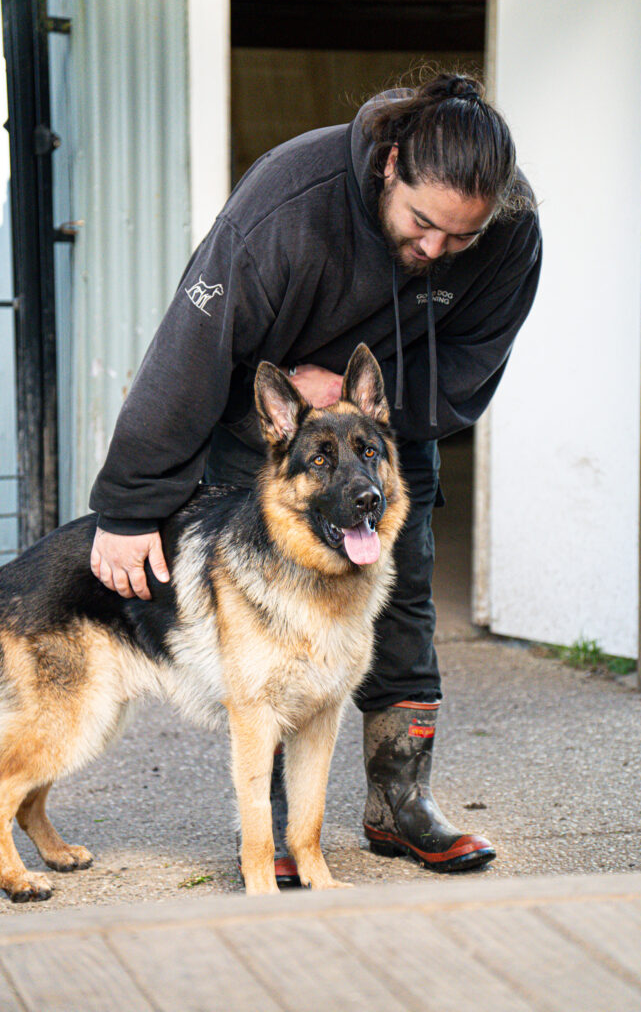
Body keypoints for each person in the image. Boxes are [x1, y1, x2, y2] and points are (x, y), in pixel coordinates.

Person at [90, 69, 542, 882]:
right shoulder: (287, 201)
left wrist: (362, 403)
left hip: (388, 427)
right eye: (421, 224)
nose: (435, 250)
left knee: (400, 604)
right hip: (263, 433)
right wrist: (126, 508)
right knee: (261, 634)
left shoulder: (511, 229)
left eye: (459, 238)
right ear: (390, 164)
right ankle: (264, 835)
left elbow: (471, 364)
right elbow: (188, 356)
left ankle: (400, 805)